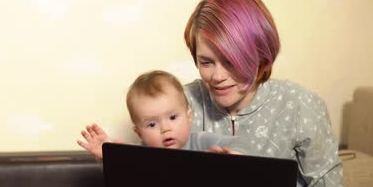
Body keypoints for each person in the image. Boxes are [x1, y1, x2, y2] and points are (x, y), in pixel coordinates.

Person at [91, 0, 348, 187]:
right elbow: (153, 177)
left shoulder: (302, 105)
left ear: (260, 52)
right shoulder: (183, 102)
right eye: (206, 61)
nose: (217, 76)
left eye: (230, 60)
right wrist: (117, 162)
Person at [77, 70, 247, 160]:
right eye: (152, 124)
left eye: (173, 117)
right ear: (139, 132)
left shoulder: (202, 142)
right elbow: (123, 174)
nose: (165, 129)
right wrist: (109, 154)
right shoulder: (140, 153)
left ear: (189, 116)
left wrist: (230, 156)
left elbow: (242, 145)